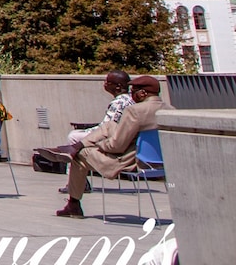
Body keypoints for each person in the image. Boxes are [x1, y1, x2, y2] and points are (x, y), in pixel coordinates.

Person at [57, 75, 166, 219]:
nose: (131, 94)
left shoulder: (135, 111)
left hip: (131, 162)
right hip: (161, 161)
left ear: (143, 93)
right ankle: (77, 145)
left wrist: (100, 145)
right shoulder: (170, 110)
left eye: (133, 91)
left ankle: (74, 204)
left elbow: (116, 146)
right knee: (109, 126)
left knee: (80, 155)